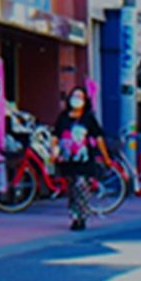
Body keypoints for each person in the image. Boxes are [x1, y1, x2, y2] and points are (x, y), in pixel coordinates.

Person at [52, 88, 108, 231]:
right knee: (72, 189)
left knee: (81, 186)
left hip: (84, 160)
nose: (76, 99)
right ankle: (74, 215)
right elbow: (56, 136)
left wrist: (105, 156)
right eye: (74, 96)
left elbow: (98, 137)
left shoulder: (88, 118)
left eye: (80, 97)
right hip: (67, 160)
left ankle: (81, 217)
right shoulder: (63, 117)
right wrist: (54, 152)